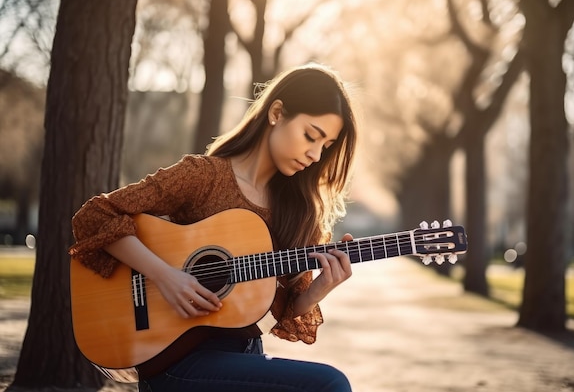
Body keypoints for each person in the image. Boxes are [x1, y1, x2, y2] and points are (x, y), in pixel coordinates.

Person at [69, 63, 358, 392]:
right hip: (177, 360)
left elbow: (286, 310)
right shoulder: (203, 176)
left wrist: (319, 289)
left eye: (326, 146)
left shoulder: (299, 209)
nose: (315, 154)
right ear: (277, 113)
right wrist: (165, 276)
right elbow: (95, 215)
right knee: (329, 384)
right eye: (311, 135)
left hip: (244, 358)